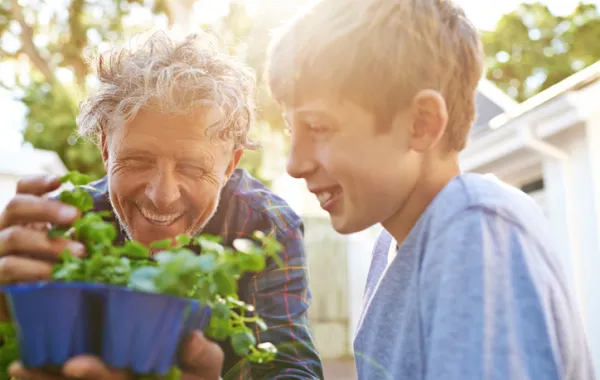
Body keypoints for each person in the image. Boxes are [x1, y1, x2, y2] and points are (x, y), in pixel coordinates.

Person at [265, 0, 596, 379]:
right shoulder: (392, 248)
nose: (295, 164)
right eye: (293, 130)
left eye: (319, 128)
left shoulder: (474, 231)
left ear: (420, 124)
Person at [0, 30, 323, 380]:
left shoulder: (265, 226)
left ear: (230, 165)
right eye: (138, 161)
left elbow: (289, 368)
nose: (162, 195)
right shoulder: (63, 225)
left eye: (192, 167)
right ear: (107, 148)